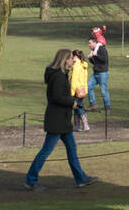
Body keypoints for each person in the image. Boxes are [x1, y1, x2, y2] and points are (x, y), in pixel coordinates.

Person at [24, 49, 98, 190]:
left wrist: (71, 103)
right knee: (46, 151)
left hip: (62, 120)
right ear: (65, 60)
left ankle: (81, 178)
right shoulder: (58, 76)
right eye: (71, 58)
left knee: (72, 149)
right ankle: (30, 180)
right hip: (56, 120)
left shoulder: (61, 75)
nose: (73, 60)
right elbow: (56, 97)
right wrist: (72, 103)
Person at [86, 30, 110, 112]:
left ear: (94, 42)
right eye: (88, 43)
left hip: (103, 73)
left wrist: (96, 55)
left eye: (90, 43)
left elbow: (104, 60)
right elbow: (95, 62)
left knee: (103, 91)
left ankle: (107, 108)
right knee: (88, 87)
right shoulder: (93, 51)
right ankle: (93, 104)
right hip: (95, 73)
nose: (88, 45)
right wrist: (90, 59)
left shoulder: (101, 49)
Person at [70, 49, 90, 131]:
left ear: (75, 57)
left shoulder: (76, 66)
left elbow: (74, 80)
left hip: (76, 90)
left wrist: (72, 92)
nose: (71, 59)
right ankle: (77, 126)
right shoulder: (83, 65)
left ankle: (85, 125)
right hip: (83, 90)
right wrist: (86, 89)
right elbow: (85, 79)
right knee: (78, 107)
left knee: (78, 107)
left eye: (72, 57)